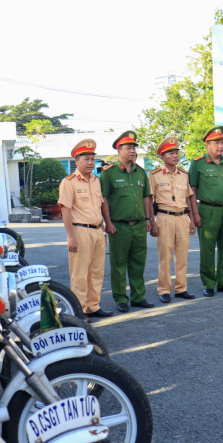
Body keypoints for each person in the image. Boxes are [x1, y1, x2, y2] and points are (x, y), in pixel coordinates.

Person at [100, 130, 156, 312]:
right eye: (128, 148)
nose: (132, 151)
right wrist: (107, 222)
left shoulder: (141, 172)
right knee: (118, 264)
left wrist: (149, 219)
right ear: (119, 150)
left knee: (138, 263)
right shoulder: (109, 173)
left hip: (139, 225)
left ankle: (139, 297)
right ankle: (121, 298)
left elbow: (147, 197)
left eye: (134, 148)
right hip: (119, 226)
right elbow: (104, 199)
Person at [59, 139, 113, 319]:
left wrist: (103, 229)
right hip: (80, 231)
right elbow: (65, 210)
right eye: (86, 159)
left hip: (97, 231)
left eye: (92, 159)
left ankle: (93, 306)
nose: (90, 163)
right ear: (76, 161)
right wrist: (70, 237)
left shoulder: (96, 181)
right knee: (80, 273)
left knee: (97, 271)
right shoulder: (69, 182)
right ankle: (79, 310)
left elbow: (100, 206)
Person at [189, 126, 223, 297]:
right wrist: (195, 214)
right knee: (208, 249)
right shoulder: (198, 164)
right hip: (207, 210)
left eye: (222, 142)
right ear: (208, 145)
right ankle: (209, 283)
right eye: (217, 143)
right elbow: (192, 190)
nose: (221, 146)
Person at [148, 136, 196, 303]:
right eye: (170, 153)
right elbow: (149, 199)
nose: (175, 156)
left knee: (182, 255)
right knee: (165, 256)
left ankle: (181, 288)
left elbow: (189, 197)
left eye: (176, 153)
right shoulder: (154, 175)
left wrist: (192, 219)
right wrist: (151, 221)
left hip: (182, 217)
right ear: (162, 157)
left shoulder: (184, 175)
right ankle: (164, 289)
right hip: (164, 217)